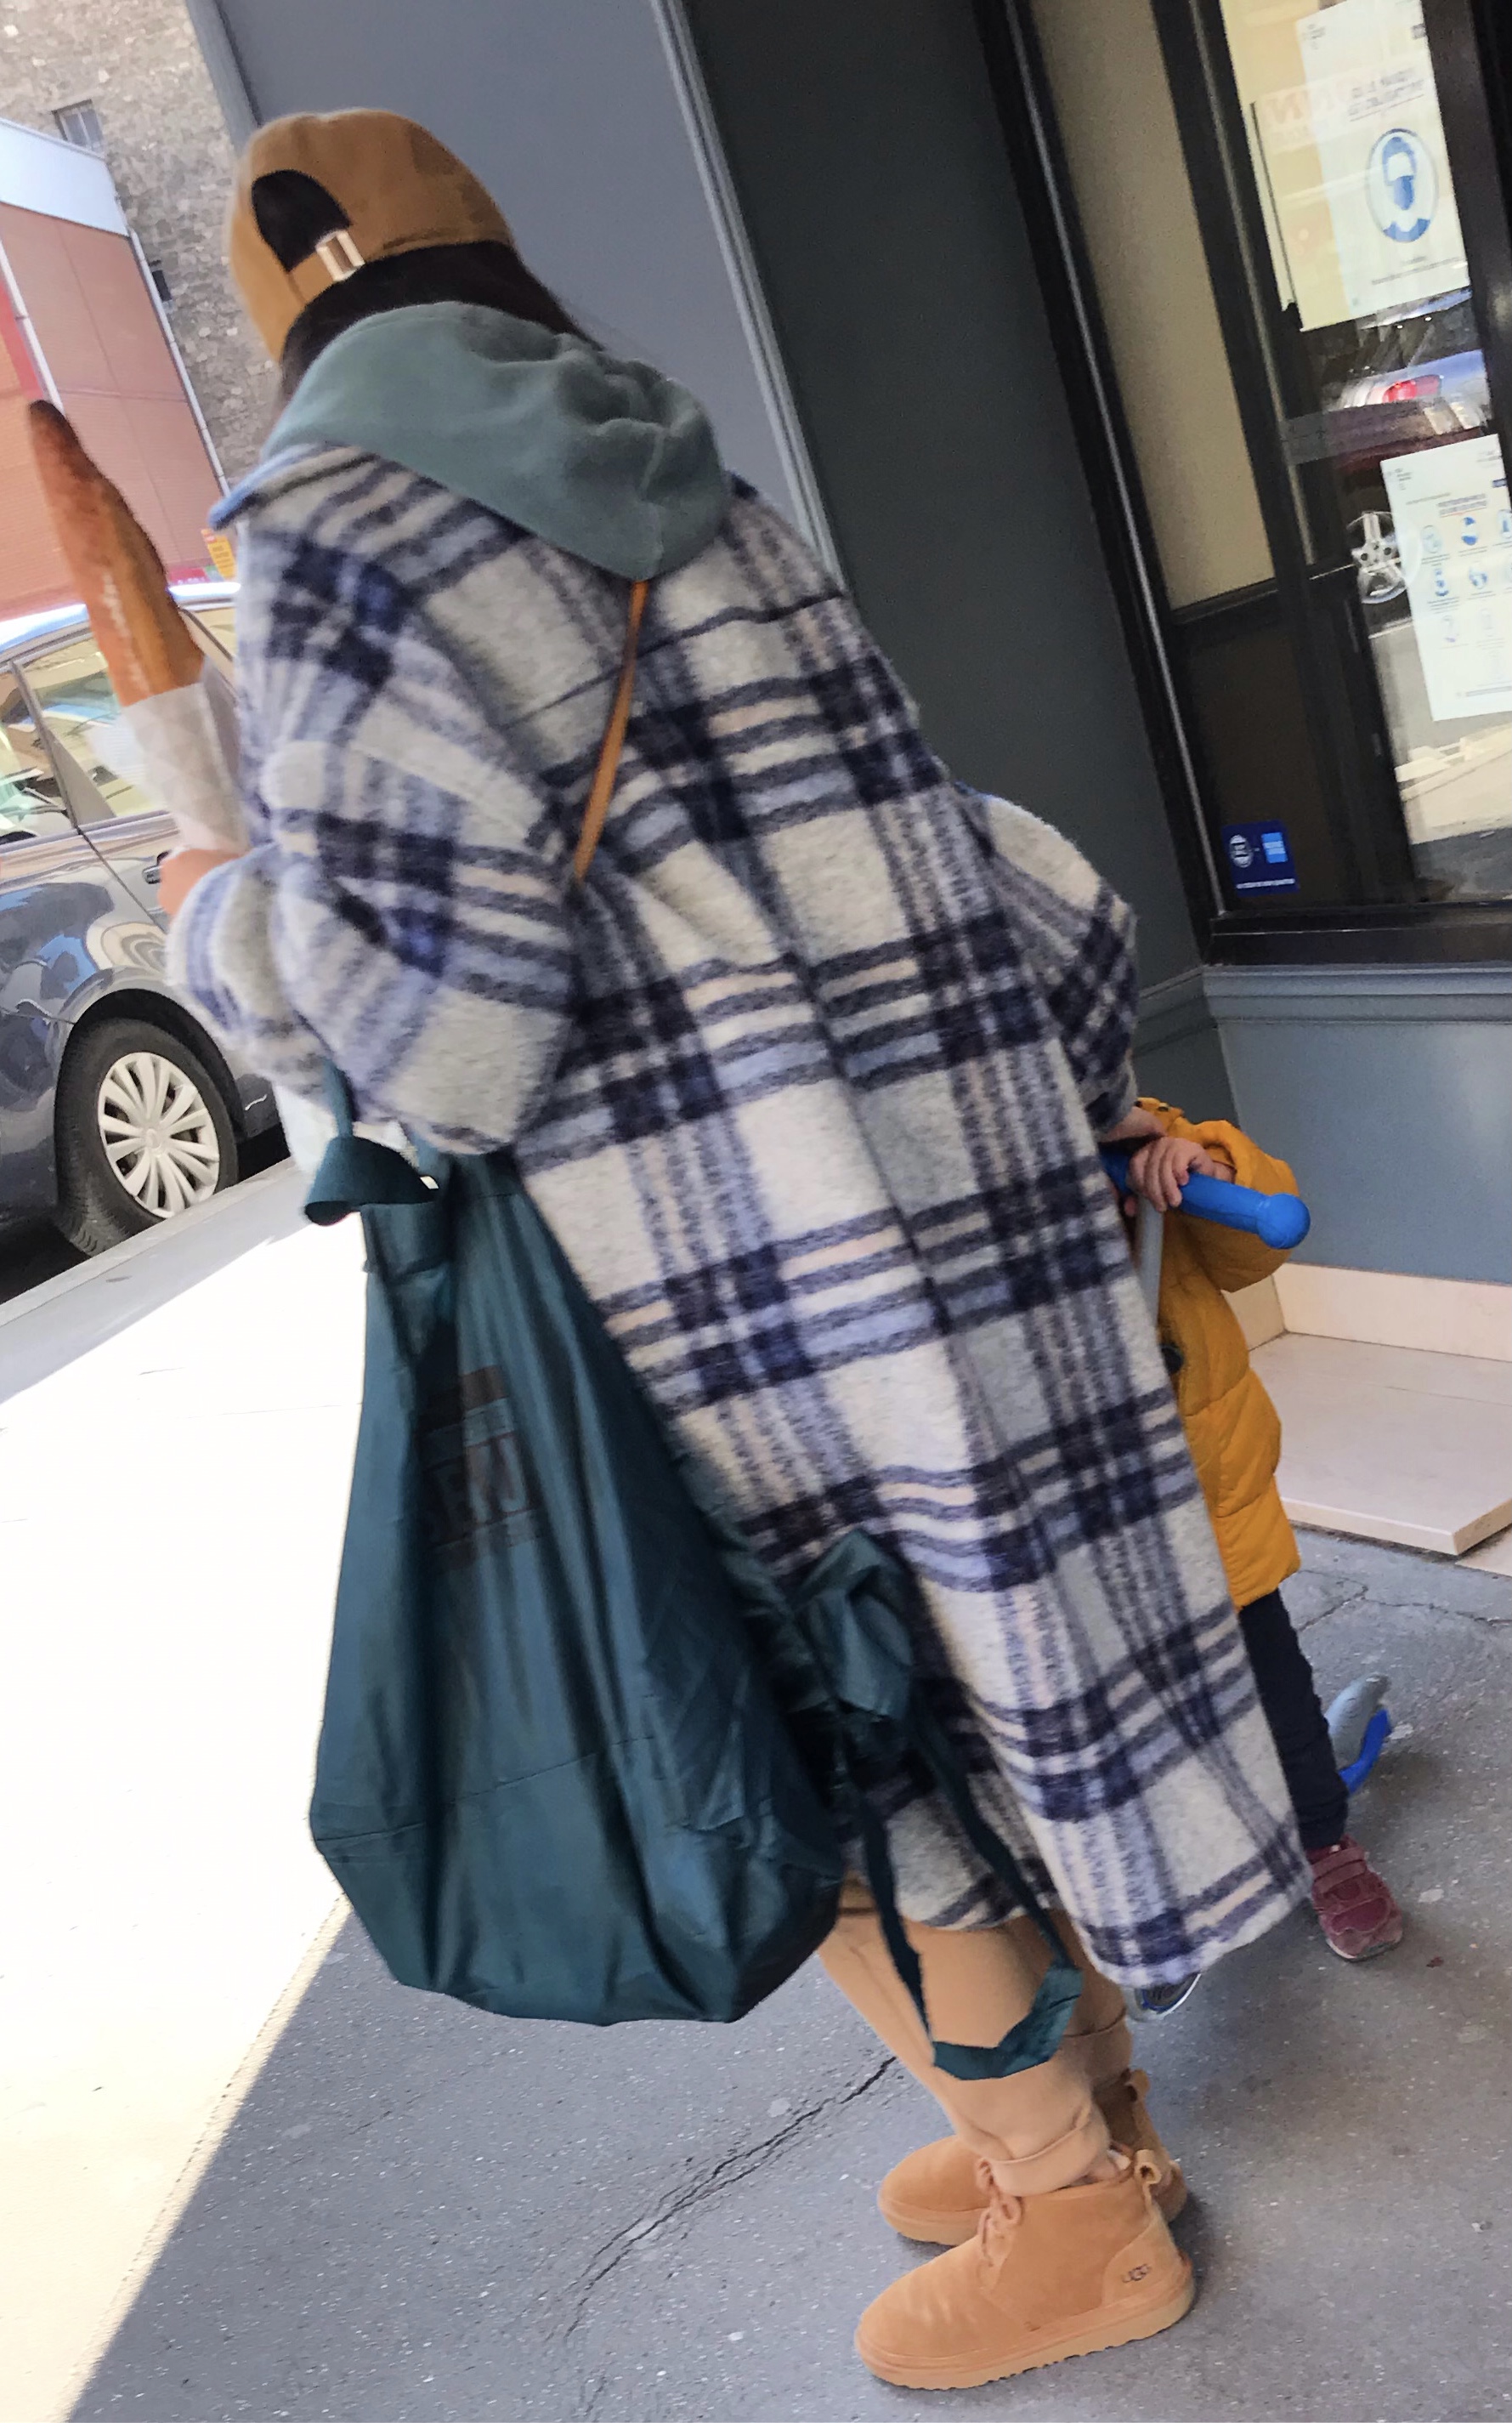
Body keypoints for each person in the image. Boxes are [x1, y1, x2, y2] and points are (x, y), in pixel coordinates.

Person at [159, 111, 1309, 2392]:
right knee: (957, 1672)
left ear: (294, 287)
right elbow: (979, 851)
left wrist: (216, 920)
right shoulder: (681, 471)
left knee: (825, 1722)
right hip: (952, 1187)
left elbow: (449, 1043)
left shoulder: (336, 526)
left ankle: (1078, 2216)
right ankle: (1074, 2107)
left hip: (721, 1260)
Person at [1115, 1100, 1403, 1963]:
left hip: (1199, 1490)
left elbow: (1254, 1250)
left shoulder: (1152, 1128)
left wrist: (1206, 1164)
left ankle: (1323, 1842)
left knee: (1267, 1677)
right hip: (1081, 1501)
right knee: (1125, 1706)